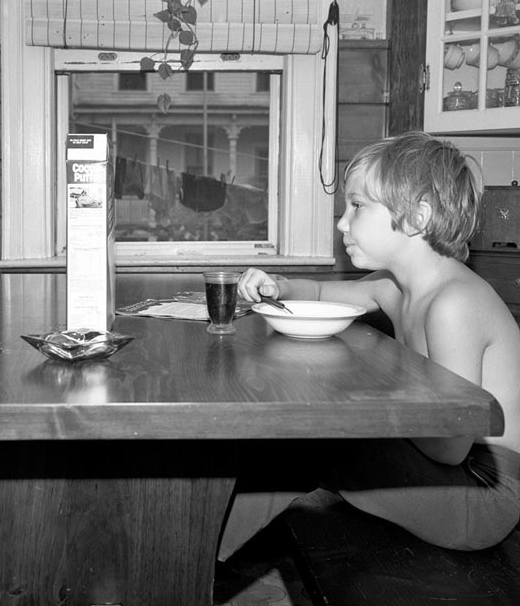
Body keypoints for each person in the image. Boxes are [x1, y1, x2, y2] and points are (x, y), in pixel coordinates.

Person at [218, 131, 520, 561]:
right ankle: (199, 554)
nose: (342, 222)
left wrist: (367, 401)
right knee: (293, 439)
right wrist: (277, 285)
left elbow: (449, 448)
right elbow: (321, 295)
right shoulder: (393, 287)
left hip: (485, 491)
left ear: (417, 217)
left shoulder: (454, 304)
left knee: (317, 442)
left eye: (357, 206)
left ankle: (193, 564)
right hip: (453, 474)